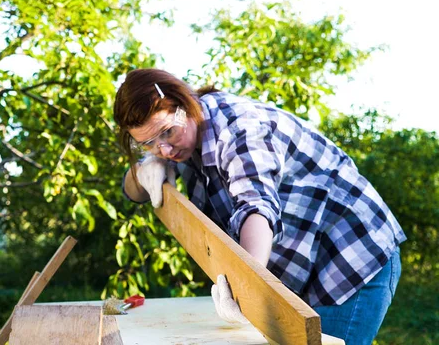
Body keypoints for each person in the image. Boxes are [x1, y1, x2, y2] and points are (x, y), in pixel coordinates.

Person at [113, 68, 406, 345]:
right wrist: (143, 172)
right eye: (148, 143)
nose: (165, 149)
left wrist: (247, 286)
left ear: (185, 104)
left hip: (350, 255)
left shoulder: (240, 128)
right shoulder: (176, 142)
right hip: (299, 263)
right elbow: (133, 192)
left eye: (167, 133)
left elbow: (256, 207)